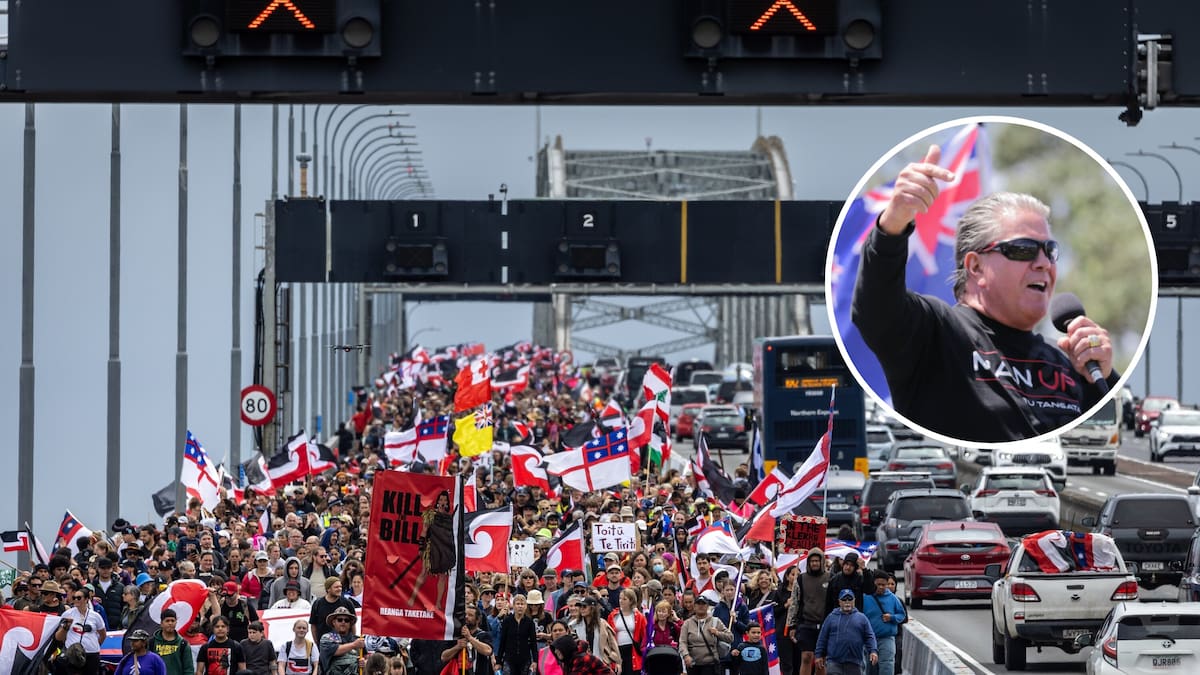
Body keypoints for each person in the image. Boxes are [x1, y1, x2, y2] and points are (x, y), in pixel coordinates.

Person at [850, 146, 1119, 442]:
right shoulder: (937, 334)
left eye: (1049, 251)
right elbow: (876, 308)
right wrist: (893, 224)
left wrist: (1104, 377)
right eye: (1023, 249)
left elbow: (1106, 445)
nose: (1043, 263)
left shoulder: (1068, 364)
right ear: (975, 266)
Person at [405, 490, 456, 608]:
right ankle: (413, 597)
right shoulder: (430, 514)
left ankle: (438, 603)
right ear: (437, 501)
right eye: (441, 499)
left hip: (444, 548)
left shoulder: (450, 518)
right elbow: (424, 531)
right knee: (423, 573)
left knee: (443, 576)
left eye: (445, 500)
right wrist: (421, 547)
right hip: (432, 547)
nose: (443, 502)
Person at [815, 590, 877, 675]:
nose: (847, 602)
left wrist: (873, 651)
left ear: (854, 601)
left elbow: (870, 636)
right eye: (844, 599)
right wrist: (818, 655)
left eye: (850, 599)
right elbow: (822, 638)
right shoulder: (831, 617)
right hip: (834, 662)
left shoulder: (862, 618)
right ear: (839, 602)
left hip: (855, 662)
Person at [788, 548, 830, 675]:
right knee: (806, 656)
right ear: (808, 562)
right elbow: (795, 602)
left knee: (821, 659)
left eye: (817, 560)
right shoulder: (801, 579)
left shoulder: (830, 577)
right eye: (812, 561)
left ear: (822, 561)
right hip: (806, 623)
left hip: (825, 624)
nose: (815, 563)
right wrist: (792, 625)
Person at [678, 589, 732, 675]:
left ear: (707, 606)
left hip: (710, 664)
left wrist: (718, 633)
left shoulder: (715, 621)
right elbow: (682, 642)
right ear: (694, 606)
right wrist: (686, 655)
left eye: (703, 604)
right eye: (698, 604)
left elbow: (730, 637)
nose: (701, 606)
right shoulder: (687, 623)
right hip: (693, 664)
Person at [862, 572, 905, 675]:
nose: (881, 587)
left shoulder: (893, 598)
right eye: (878, 584)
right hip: (868, 639)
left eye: (883, 585)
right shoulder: (865, 597)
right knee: (870, 667)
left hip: (887, 638)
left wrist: (892, 617)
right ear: (873, 583)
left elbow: (902, 615)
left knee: (887, 665)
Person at [60, 585, 107, 675]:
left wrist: (95, 645)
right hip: (72, 654)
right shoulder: (67, 614)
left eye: (79, 598)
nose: (76, 600)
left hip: (91, 653)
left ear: (86, 599)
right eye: (74, 598)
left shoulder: (95, 616)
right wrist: (66, 628)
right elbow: (59, 636)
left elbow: (103, 634)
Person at [438, 604, 493, 675]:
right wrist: (457, 647)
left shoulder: (484, 635)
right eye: (465, 614)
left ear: (478, 619)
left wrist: (470, 638)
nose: (466, 617)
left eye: (470, 615)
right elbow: (443, 657)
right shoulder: (456, 636)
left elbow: (488, 651)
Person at [606, 588, 645, 675]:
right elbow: (608, 635)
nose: (621, 601)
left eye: (624, 599)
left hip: (632, 650)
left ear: (631, 601)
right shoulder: (613, 615)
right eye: (620, 598)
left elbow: (645, 635)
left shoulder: (638, 616)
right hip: (617, 650)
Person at [496, 593, 538, 675]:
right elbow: (502, 642)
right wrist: (498, 662)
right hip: (509, 659)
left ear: (526, 606)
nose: (520, 606)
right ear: (513, 606)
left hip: (525, 659)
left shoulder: (529, 622)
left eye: (522, 604)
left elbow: (533, 643)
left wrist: (535, 661)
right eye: (518, 604)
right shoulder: (507, 621)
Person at [318, 606, 364, 675]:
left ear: (350, 624)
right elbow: (336, 650)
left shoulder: (358, 639)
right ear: (334, 622)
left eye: (346, 620)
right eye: (340, 620)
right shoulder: (326, 638)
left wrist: (364, 662)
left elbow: (366, 658)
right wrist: (354, 645)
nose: (343, 622)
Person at [824, 552, 871, 616]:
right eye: (846, 564)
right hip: (838, 618)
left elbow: (869, 590)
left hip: (855, 618)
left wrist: (864, 569)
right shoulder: (835, 579)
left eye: (851, 565)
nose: (848, 567)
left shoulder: (859, 579)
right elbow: (828, 603)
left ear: (855, 567)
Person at [150, 608, 194, 675]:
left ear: (176, 622)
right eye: (167, 621)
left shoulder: (183, 644)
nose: (170, 623)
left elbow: (189, 669)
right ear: (161, 623)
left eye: (172, 621)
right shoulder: (151, 642)